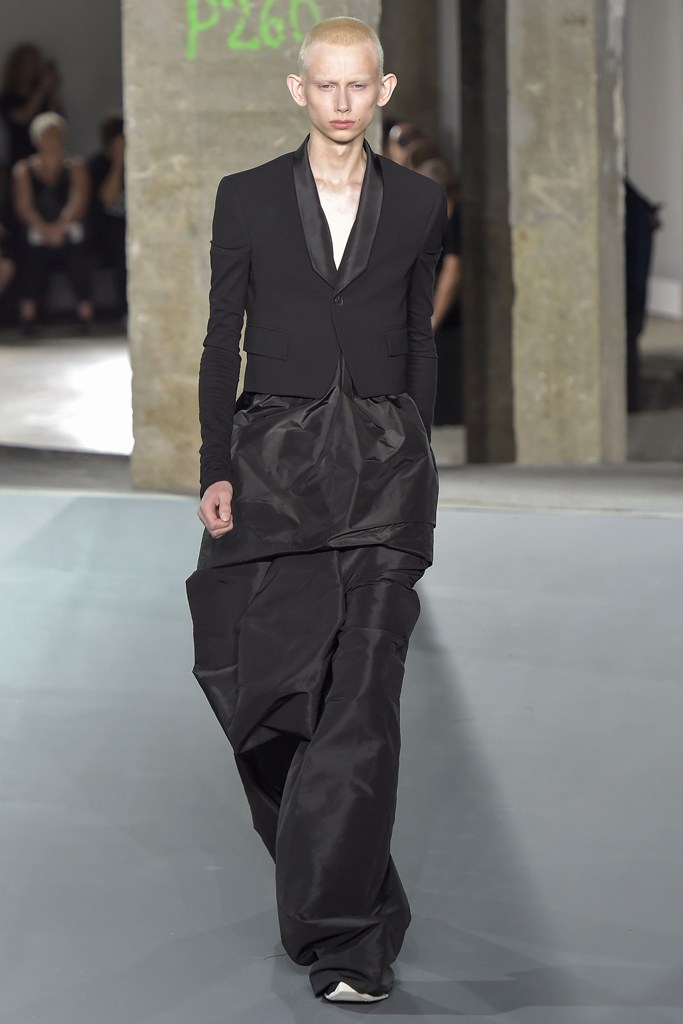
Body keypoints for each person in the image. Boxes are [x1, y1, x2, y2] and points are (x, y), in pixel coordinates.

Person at [186, 16, 446, 1005]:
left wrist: (418, 450)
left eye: (358, 86)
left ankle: (348, 941)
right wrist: (215, 465)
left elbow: (418, 337)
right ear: (300, 90)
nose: (342, 102)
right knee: (261, 689)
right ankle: (335, 879)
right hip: (277, 466)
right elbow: (221, 340)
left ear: (383, 92)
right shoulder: (246, 195)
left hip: (384, 469)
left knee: (364, 694)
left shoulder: (419, 201)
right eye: (325, 85)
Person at [12, 112, 93, 334]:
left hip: (67, 228)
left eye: (57, 135)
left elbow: (78, 200)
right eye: (48, 136)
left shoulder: (75, 165)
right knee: (30, 255)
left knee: (77, 252)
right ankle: (28, 315)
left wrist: (60, 227)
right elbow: (24, 206)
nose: (53, 141)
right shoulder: (24, 169)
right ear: (37, 140)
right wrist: (44, 229)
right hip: (38, 229)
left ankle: (85, 313)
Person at [419, 156, 462, 424]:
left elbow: (453, 270)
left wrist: (433, 320)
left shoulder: (456, 217)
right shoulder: (451, 217)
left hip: (454, 324)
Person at [625, 178, 661, 414]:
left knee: (626, 351)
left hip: (628, 298)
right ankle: (630, 404)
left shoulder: (631, 205)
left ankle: (630, 404)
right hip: (632, 296)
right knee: (628, 350)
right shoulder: (635, 205)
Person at [88, 112, 126, 317]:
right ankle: (125, 311)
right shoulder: (97, 165)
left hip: (128, 228)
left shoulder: (140, 166)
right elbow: (108, 198)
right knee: (122, 246)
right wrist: (118, 163)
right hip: (104, 232)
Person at [0, 45, 62, 169]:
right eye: (29, 62)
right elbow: (23, 118)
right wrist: (43, 88)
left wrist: (51, 92)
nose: (35, 66)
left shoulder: (44, 97)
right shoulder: (7, 98)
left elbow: (57, 122)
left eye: (37, 61)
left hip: (48, 162)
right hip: (19, 161)